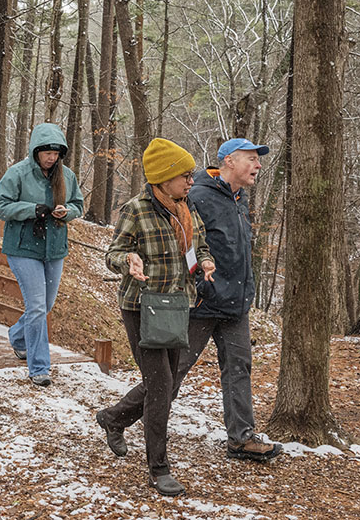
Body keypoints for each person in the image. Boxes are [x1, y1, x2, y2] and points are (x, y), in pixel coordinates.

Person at [97, 138, 216, 497]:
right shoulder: (136, 210)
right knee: (162, 384)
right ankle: (158, 468)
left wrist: (204, 262)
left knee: (165, 384)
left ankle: (113, 418)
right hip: (142, 307)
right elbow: (113, 252)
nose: (191, 182)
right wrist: (128, 262)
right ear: (164, 177)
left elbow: (198, 245)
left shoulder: (186, 209)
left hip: (178, 306)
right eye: (184, 176)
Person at [170, 138, 282, 463]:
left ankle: (241, 438)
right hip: (203, 304)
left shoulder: (240, 199)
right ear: (229, 161)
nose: (258, 165)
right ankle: (132, 418)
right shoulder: (199, 196)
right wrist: (200, 288)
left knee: (239, 368)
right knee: (174, 368)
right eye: (252, 159)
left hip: (235, 304)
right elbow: (186, 247)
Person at [0, 123, 84, 387]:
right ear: (35, 151)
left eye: (56, 153)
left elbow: (78, 204)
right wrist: (33, 209)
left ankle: (18, 337)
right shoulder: (18, 173)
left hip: (54, 247)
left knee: (46, 306)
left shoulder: (67, 176)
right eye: (46, 152)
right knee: (36, 306)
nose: (51, 157)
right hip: (23, 247)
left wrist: (68, 212)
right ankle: (40, 367)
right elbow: (0, 206)